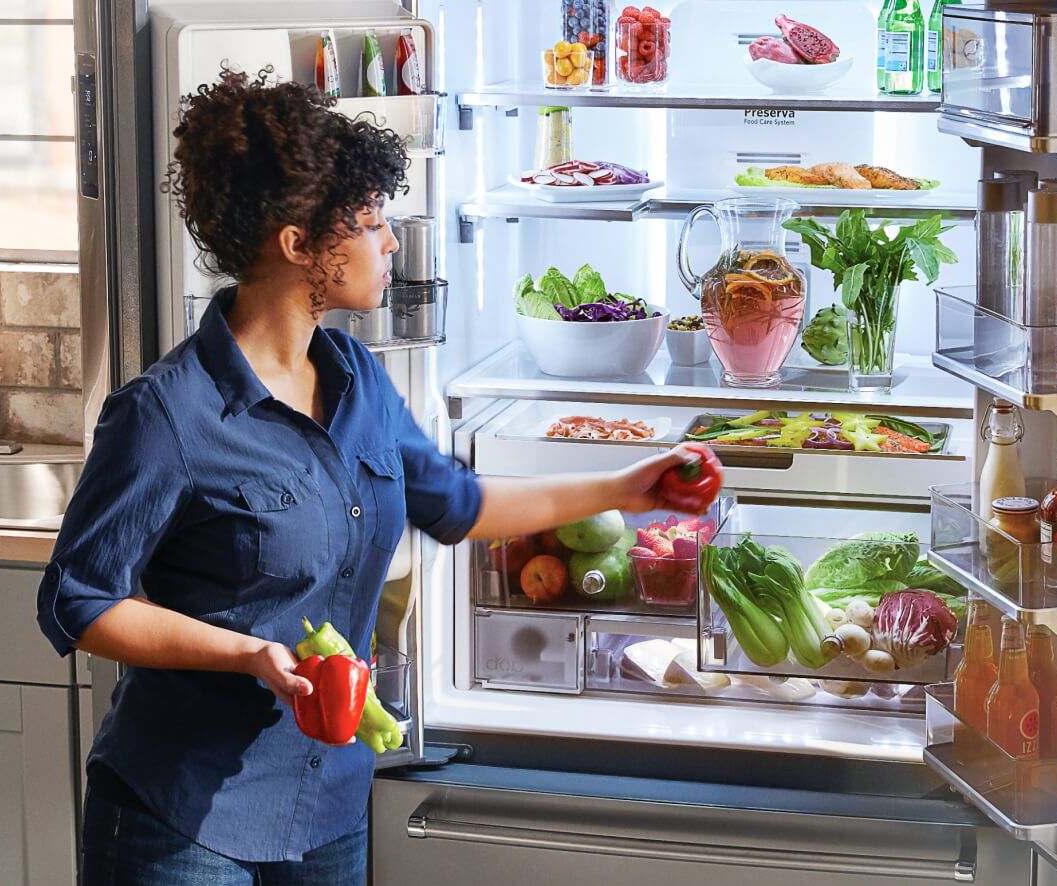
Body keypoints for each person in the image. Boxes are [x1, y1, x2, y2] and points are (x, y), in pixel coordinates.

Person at [37, 68, 694, 886]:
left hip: (327, 804)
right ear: (297, 244)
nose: (390, 242)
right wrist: (250, 655)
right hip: (181, 817)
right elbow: (79, 600)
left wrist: (629, 486)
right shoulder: (167, 415)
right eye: (374, 221)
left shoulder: (355, 376)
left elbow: (458, 504)